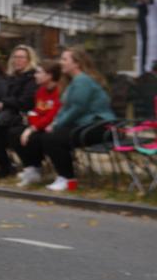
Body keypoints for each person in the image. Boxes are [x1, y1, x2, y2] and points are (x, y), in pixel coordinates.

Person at [41, 47, 116, 192]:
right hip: (86, 125)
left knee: (54, 138)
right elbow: (65, 108)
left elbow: (77, 108)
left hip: (100, 126)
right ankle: (62, 176)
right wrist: (55, 122)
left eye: (64, 59)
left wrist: (57, 125)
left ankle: (68, 178)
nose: (60, 62)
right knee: (48, 137)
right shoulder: (74, 82)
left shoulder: (83, 81)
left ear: (76, 63)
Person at [0, 45, 39, 178]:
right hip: (10, 116)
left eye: (21, 57)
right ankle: (5, 165)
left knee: (13, 133)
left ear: (29, 59)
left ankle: (31, 167)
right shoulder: (11, 78)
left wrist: (6, 102)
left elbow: (26, 101)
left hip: (25, 117)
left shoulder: (32, 78)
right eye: (15, 57)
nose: (17, 60)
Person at [12, 60, 62, 187]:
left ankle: (42, 169)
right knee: (14, 132)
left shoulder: (59, 91)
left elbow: (52, 115)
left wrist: (32, 128)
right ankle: (31, 168)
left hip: (52, 126)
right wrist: (31, 125)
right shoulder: (40, 91)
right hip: (40, 125)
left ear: (49, 76)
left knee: (34, 137)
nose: (35, 75)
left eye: (39, 73)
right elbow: (37, 112)